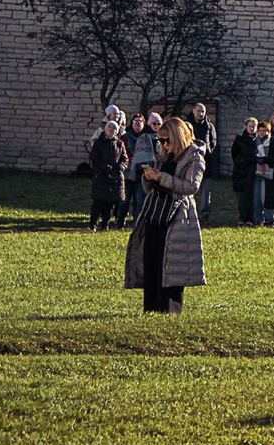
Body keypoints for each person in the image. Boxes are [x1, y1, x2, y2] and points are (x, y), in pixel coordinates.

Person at [125, 117, 206, 314]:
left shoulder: (194, 156)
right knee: (151, 258)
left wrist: (163, 178)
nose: (163, 144)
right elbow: (151, 188)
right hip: (155, 212)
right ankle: (151, 307)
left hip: (177, 215)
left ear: (177, 137)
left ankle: (169, 308)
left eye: (166, 140)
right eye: (160, 140)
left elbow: (191, 186)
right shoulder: (164, 156)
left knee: (171, 262)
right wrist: (149, 178)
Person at [87, 119, 127, 231]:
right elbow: (95, 159)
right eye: (109, 127)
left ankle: (105, 225)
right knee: (98, 203)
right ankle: (93, 225)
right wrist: (107, 169)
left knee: (110, 204)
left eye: (114, 128)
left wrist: (117, 170)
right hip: (101, 176)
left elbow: (124, 160)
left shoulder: (120, 144)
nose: (111, 129)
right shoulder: (98, 143)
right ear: (105, 129)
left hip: (115, 178)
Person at [116, 113, 152, 228]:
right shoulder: (126, 137)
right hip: (128, 172)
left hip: (141, 172)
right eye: (135, 122)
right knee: (125, 199)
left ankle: (136, 224)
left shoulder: (147, 138)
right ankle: (120, 222)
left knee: (139, 199)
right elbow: (123, 152)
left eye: (140, 121)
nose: (137, 124)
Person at [230, 118, 263, 226]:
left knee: (252, 196)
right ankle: (242, 218)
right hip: (241, 171)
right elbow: (234, 153)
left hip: (253, 171)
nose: (252, 128)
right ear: (246, 127)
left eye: (254, 126)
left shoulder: (258, 140)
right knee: (241, 196)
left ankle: (251, 218)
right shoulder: (239, 139)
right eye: (250, 126)